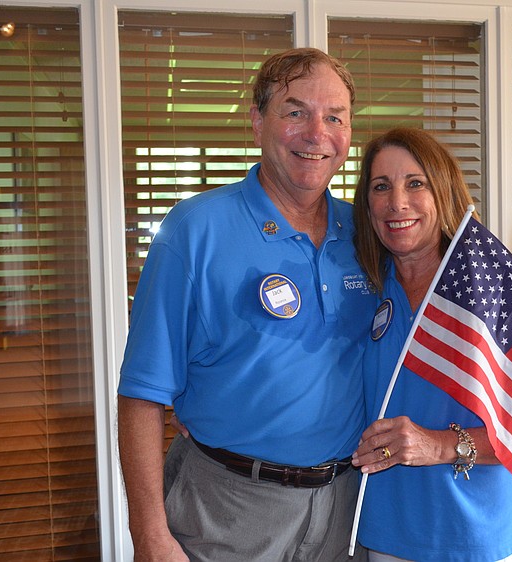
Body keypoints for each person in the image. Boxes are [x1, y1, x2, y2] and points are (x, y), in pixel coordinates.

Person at [117, 48, 374, 562]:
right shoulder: (194, 232)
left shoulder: (368, 235)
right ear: (258, 122)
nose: (316, 134)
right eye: (295, 111)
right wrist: (148, 534)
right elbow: (142, 395)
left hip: (347, 507)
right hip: (227, 509)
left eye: (334, 117)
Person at [350, 128, 512, 562]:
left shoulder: (491, 289)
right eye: (380, 187)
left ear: (442, 192)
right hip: (388, 533)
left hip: (474, 536)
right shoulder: (365, 288)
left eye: (415, 183)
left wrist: (437, 445)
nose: (397, 202)